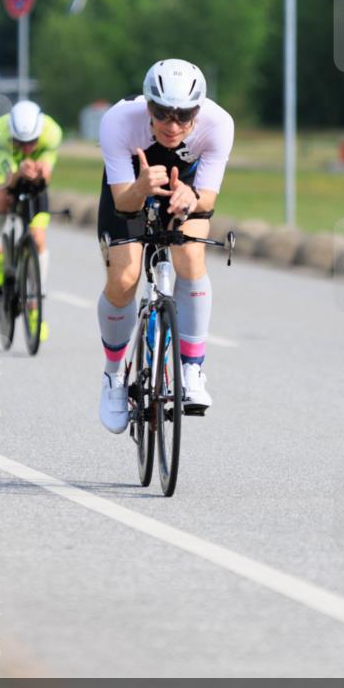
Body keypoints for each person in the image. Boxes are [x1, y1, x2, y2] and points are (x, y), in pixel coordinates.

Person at [97, 58, 234, 433]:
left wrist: (192, 198)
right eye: (162, 114)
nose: (172, 126)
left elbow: (208, 198)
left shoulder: (219, 124)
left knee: (190, 255)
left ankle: (192, 370)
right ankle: (113, 377)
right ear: (148, 106)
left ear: (198, 111)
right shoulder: (118, 121)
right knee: (125, 277)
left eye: (184, 116)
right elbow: (123, 202)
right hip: (130, 187)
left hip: (184, 189)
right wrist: (141, 188)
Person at [0, 100, 62, 342]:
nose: (27, 148)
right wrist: (18, 173)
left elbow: (46, 174)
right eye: (21, 142)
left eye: (31, 142)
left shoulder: (52, 133)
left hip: (34, 168)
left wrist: (41, 174)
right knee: (2, 196)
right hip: (0, 164)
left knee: (38, 238)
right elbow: (7, 176)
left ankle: (35, 303)